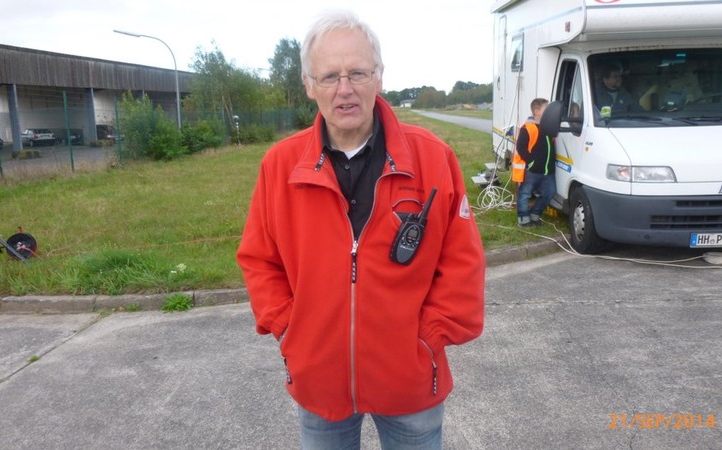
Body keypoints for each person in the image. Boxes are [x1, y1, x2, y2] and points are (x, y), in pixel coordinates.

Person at [236, 10, 485, 449]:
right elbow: (259, 259)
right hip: (318, 382)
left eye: (358, 73)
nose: (345, 89)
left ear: (379, 76)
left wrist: (428, 339)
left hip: (410, 383)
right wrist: (291, 330)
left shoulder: (433, 158)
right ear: (309, 85)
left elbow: (462, 262)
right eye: (329, 76)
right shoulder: (280, 165)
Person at [515, 98, 556, 227]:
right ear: (536, 111)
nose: (549, 112)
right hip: (532, 171)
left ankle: (535, 215)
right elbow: (520, 148)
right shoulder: (528, 127)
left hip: (548, 171)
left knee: (549, 193)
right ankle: (523, 219)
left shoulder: (549, 127)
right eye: (546, 109)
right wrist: (531, 162)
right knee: (525, 194)